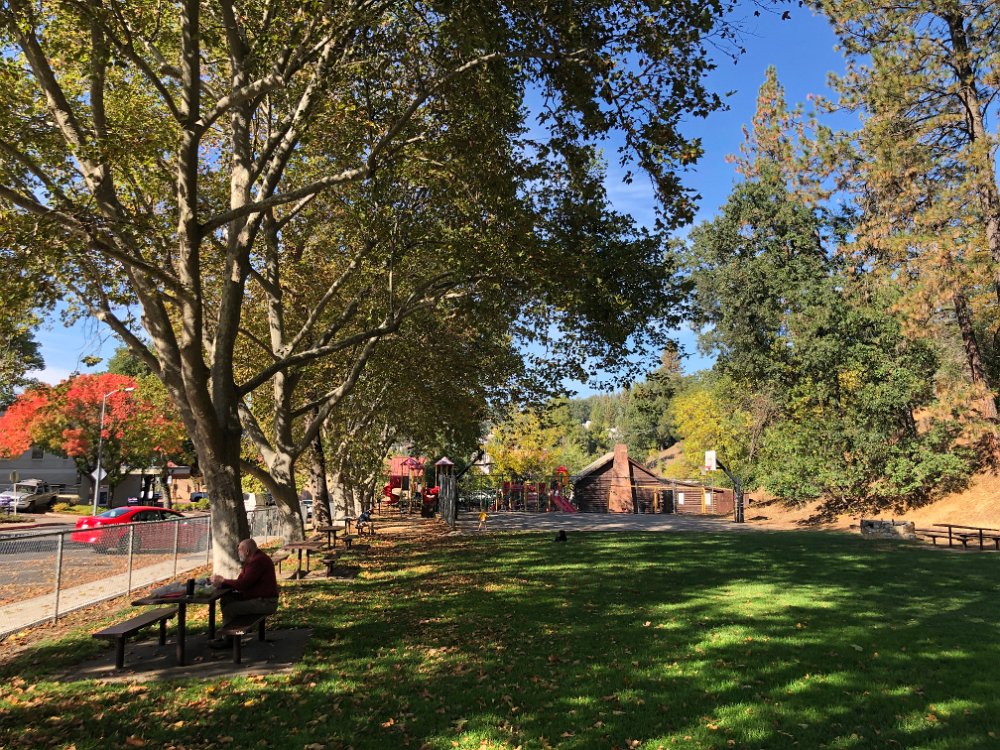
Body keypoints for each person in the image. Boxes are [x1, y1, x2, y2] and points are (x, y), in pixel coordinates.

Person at [208, 538, 279, 648]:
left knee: (230, 609)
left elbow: (243, 584)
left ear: (247, 551)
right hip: (259, 598)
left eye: (239, 550)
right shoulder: (252, 560)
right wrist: (222, 583)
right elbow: (240, 581)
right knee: (227, 599)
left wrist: (223, 581)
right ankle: (229, 635)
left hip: (266, 602)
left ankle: (230, 640)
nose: (238, 552)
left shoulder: (257, 561)